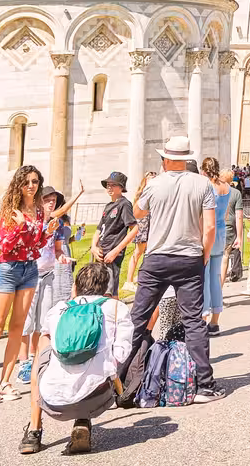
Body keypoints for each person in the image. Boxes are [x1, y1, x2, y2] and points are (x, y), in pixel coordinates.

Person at [128, 136, 224, 403]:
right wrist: (204, 256)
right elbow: (209, 228)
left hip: (157, 256)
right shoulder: (203, 184)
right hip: (188, 257)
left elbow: (138, 212)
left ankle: (122, 378)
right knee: (193, 321)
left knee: (138, 318)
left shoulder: (155, 184)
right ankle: (204, 384)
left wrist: (150, 189)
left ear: (167, 160)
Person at [20, 258, 135, 456]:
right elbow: (122, 354)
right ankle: (82, 419)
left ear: (75, 287)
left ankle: (34, 429)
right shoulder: (116, 308)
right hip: (98, 395)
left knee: (43, 349)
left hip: (52, 400)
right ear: (106, 289)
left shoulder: (58, 310)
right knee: (98, 365)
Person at [0, 165, 53, 403]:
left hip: (29, 268)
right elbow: (7, 245)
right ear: (18, 185)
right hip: (7, 268)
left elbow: (36, 244)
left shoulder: (39, 211)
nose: (31, 186)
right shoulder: (9, 210)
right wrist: (24, 227)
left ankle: (6, 381)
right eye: (27, 182)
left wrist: (46, 232)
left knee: (18, 326)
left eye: (35, 181)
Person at [20, 187, 82, 386]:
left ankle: (36, 358)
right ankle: (23, 363)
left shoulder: (56, 225)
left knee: (43, 319)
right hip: (30, 275)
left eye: (54, 200)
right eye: (48, 200)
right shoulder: (34, 222)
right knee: (26, 322)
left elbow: (56, 250)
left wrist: (62, 257)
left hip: (47, 274)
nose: (51, 203)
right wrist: (78, 194)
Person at [200, 159, 232, 333]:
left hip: (208, 230)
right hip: (221, 231)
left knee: (204, 278)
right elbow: (226, 213)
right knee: (216, 277)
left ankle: (203, 315)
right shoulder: (226, 187)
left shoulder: (207, 185)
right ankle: (215, 321)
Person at [93, 172, 136, 291]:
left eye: (113, 185)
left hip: (111, 255)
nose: (109, 187)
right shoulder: (108, 206)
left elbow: (135, 228)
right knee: (98, 289)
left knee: (109, 292)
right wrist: (93, 247)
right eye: (108, 185)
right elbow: (99, 229)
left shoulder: (124, 204)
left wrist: (116, 250)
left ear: (121, 187)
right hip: (100, 253)